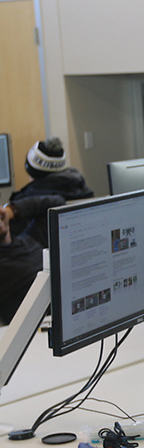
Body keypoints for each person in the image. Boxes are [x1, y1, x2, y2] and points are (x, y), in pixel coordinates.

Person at [1, 137, 93, 324]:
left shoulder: (31, 237)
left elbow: (56, 202)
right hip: (36, 332)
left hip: (76, 313)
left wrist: (13, 210)